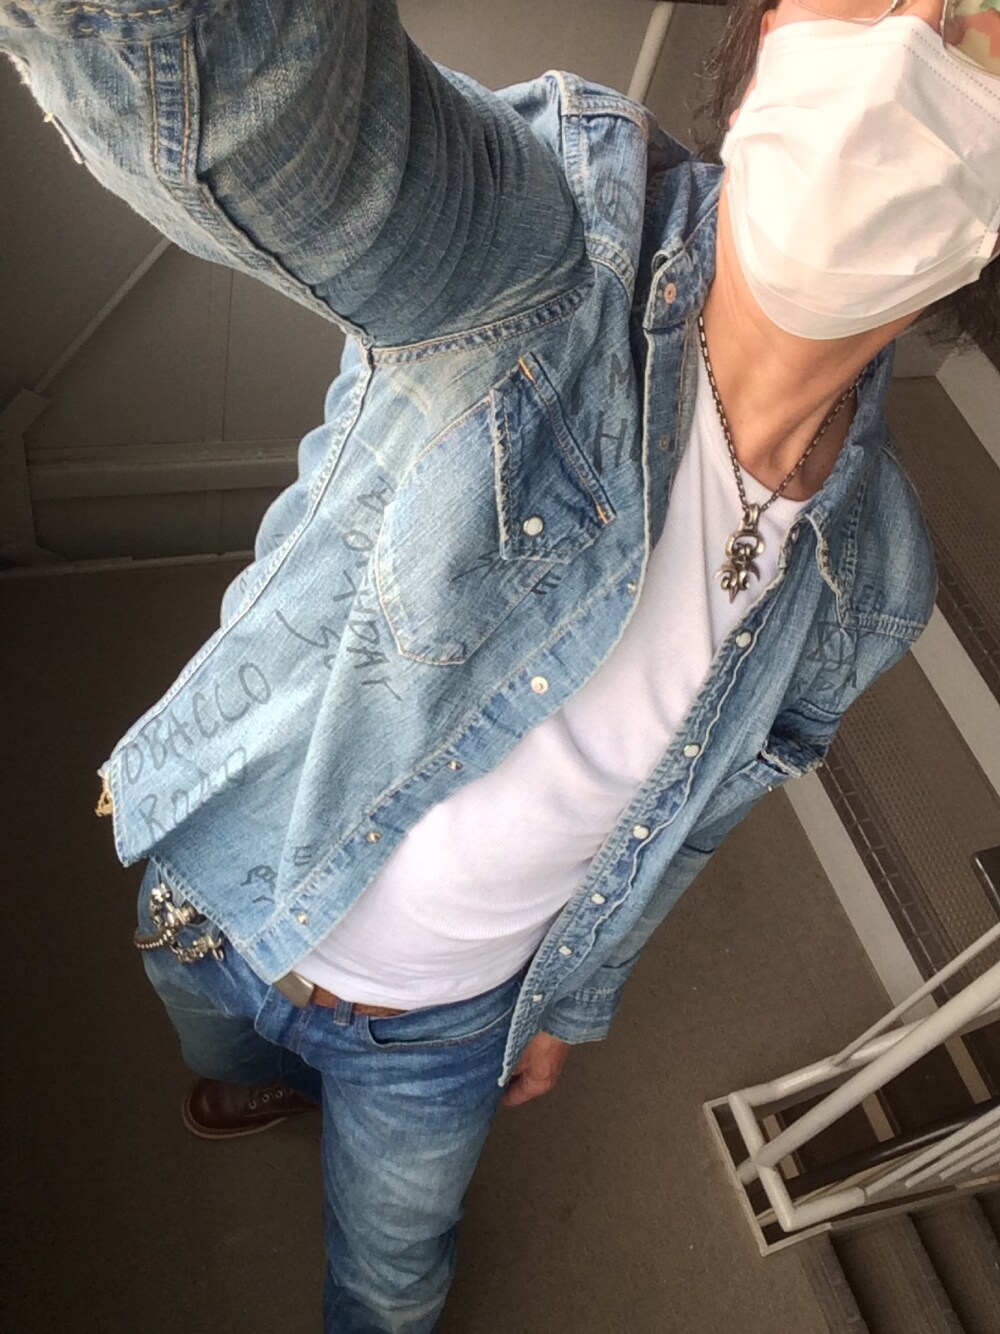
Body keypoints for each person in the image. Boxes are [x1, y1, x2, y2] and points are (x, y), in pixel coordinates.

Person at [4, 0, 998, 1327]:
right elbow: (259, 112)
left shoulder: (874, 579)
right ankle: (262, 1085)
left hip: (451, 1025)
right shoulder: (552, 244)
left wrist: (571, 999)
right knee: (217, 1041)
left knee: (393, 1278)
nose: (920, 27)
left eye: (984, 22)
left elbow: (697, 818)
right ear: (772, 29)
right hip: (227, 885)